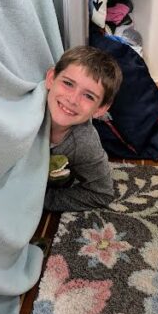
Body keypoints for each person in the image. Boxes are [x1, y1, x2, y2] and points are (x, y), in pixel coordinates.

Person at [43, 45, 123, 212]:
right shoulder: (24, 115)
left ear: (100, 109)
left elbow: (102, 193)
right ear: (51, 78)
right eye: (68, 83)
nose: (73, 99)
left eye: (88, 96)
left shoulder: (84, 143)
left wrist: (41, 200)